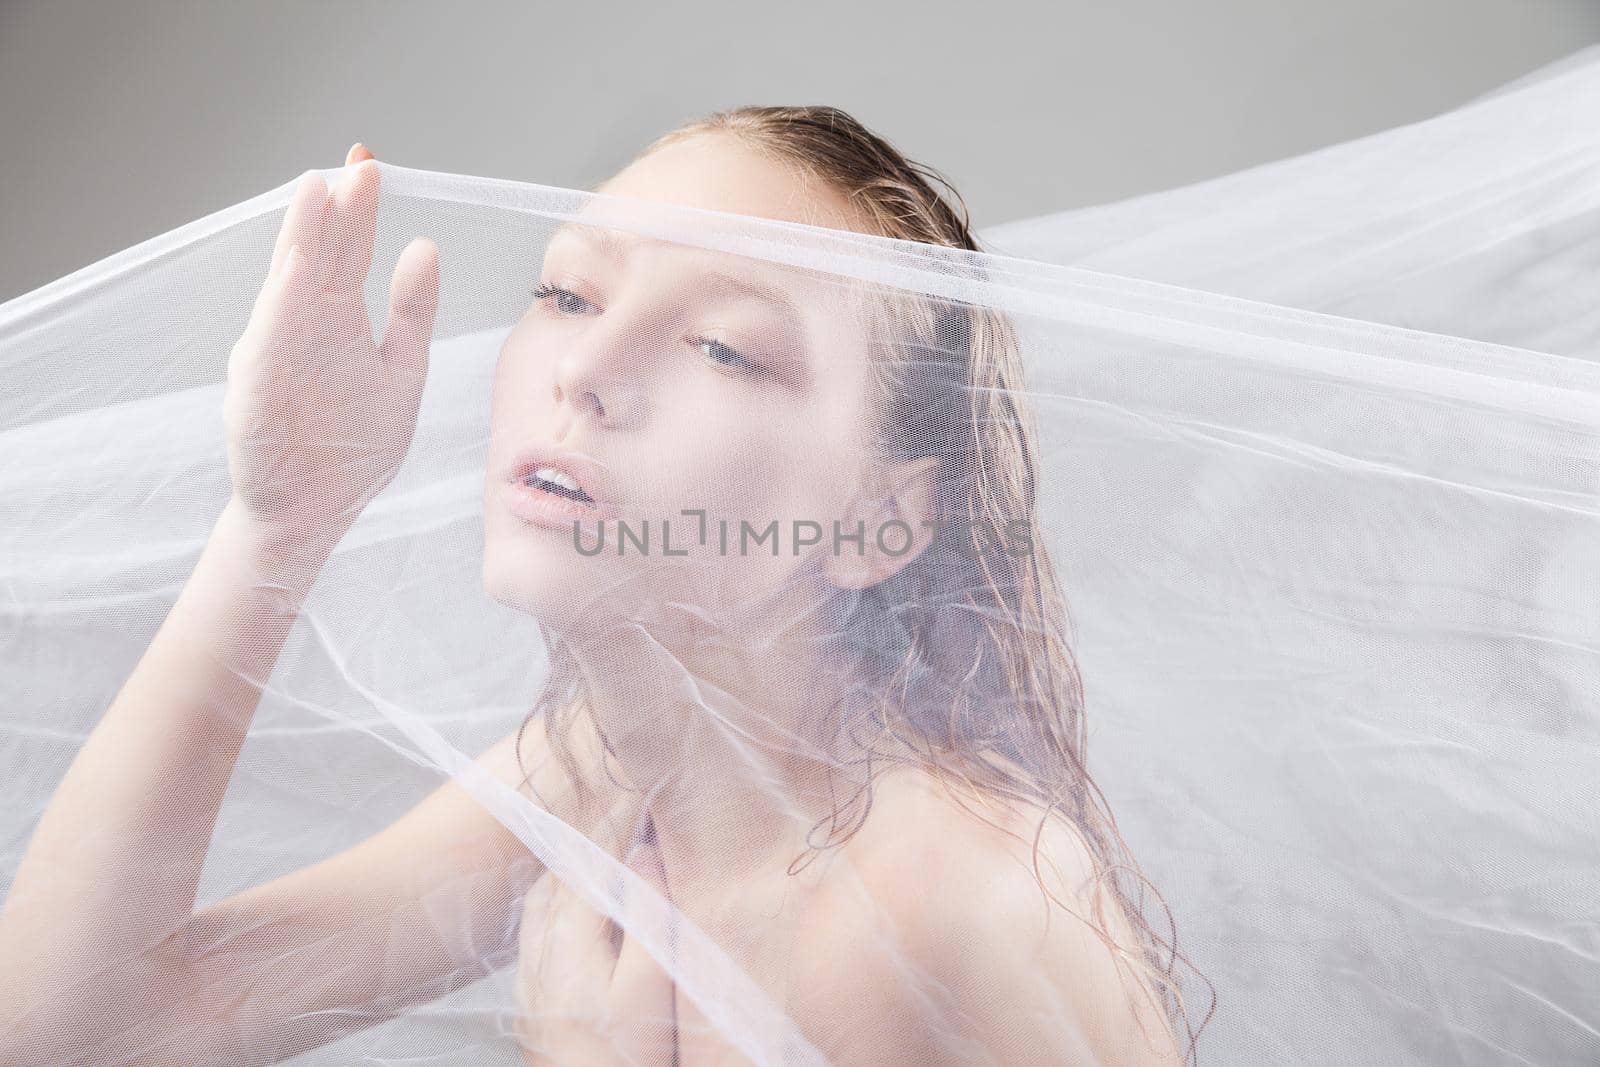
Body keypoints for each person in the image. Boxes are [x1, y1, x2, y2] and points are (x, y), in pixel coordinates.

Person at [0, 109, 1202, 1066]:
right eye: (569, 292)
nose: (585, 367)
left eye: (722, 345)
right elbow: (84, 1035)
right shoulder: (595, 774)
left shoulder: (927, 912)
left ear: (881, 518)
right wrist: (280, 520)